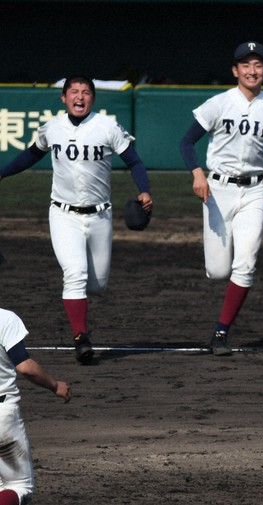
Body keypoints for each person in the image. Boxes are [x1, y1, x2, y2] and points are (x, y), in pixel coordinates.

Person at [0, 76, 153, 364]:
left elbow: (134, 161)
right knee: (75, 274)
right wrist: (3, 172)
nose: (79, 96)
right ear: (64, 98)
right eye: (73, 92)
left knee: (97, 285)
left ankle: (81, 319)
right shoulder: (52, 127)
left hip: (100, 216)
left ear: (92, 99)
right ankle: (81, 338)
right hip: (63, 214)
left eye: (85, 92)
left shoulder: (107, 126)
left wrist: (144, 189)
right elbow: (32, 154)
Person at [179, 41, 263, 356]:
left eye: (258, 65)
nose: (252, 70)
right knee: (218, 271)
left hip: (254, 191)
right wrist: (197, 174)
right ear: (235, 70)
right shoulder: (219, 102)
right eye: (246, 65)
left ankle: (221, 332)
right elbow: (187, 142)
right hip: (219, 191)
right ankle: (222, 298)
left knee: (245, 264)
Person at [0, 308, 72, 505]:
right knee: (19, 486)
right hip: (2, 417)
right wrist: (55, 385)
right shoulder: (4, 319)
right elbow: (25, 367)